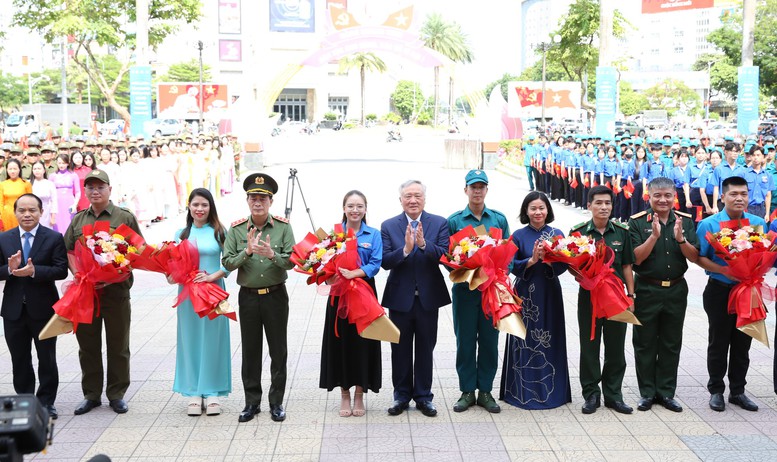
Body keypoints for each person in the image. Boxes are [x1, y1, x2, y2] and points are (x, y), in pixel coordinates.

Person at [63, 169, 143, 415]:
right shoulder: (78, 220)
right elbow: (69, 250)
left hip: (116, 291)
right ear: (85, 191)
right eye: (90, 187)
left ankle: (116, 394)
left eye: (100, 187)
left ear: (110, 189)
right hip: (86, 293)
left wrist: (114, 273)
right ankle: (91, 394)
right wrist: (81, 275)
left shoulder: (124, 217)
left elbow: (137, 250)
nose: (95, 191)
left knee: (118, 344)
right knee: (87, 344)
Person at [222, 173, 295, 423]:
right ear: (247, 201)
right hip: (249, 297)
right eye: (253, 197)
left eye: (263, 198)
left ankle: (276, 402)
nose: (258, 202)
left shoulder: (283, 227)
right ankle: (251, 403)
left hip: (276, 296)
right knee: (250, 351)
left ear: (271, 202)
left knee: (278, 350)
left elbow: (292, 261)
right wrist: (248, 251)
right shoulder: (237, 228)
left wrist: (273, 255)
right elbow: (227, 263)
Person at [628, 177, 699, 413]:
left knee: (671, 342)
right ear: (649, 196)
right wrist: (654, 237)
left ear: (674, 196)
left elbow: (694, 257)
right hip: (647, 289)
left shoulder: (686, 221)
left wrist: (680, 239)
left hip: (677, 289)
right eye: (657, 195)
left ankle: (666, 392)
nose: (663, 200)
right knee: (645, 342)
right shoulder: (637, 222)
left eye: (668, 195)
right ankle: (647, 393)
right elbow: (636, 258)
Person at [381, 180, 451, 417]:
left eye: (417, 196)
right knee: (399, 348)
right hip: (400, 298)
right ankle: (401, 395)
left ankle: (423, 396)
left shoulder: (439, 223)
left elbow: (445, 255)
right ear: (400, 199)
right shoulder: (389, 225)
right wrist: (405, 250)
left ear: (424, 199)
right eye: (408, 196)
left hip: (428, 298)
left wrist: (423, 244)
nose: (413, 200)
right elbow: (385, 261)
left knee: (425, 348)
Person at [696, 175, 763, 412]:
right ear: (723, 197)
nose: (739, 198)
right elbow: (699, 257)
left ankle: (738, 391)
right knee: (719, 341)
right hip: (719, 290)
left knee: (743, 341)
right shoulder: (709, 224)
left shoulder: (757, 223)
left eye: (743, 194)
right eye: (733, 194)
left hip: (747, 291)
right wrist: (723, 269)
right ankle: (716, 390)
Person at [500, 191, 571, 409]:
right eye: (533, 208)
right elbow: (510, 265)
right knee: (525, 338)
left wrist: (549, 261)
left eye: (541, 208)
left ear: (548, 210)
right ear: (526, 211)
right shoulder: (519, 236)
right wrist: (531, 260)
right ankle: (520, 392)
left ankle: (554, 393)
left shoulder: (557, 233)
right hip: (525, 294)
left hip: (550, 292)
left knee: (551, 336)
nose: (537, 212)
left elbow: (565, 264)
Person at [0, 193, 68, 419]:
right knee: (19, 358)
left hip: (43, 308)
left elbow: (61, 269)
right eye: (22, 210)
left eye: (32, 210)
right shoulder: (4, 239)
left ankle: (47, 402)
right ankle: (26, 402)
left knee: (46, 358)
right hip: (13, 311)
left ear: (41, 212)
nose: (27, 214)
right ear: (15, 212)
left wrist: (35, 271)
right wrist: (9, 269)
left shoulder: (53, 237)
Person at [447, 170, 509, 413]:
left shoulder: (498, 219)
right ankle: (466, 391)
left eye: (481, 187)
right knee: (464, 342)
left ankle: (485, 391)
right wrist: (465, 268)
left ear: (487, 190)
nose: (477, 191)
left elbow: (508, 253)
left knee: (490, 341)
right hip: (465, 292)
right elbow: (448, 258)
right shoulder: (455, 221)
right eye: (473, 187)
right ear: (466, 190)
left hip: (490, 291)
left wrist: (496, 272)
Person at [570, 185, 635, 414]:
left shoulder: (622, 231)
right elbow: (572, 267)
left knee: (616, 347)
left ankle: (613, 395)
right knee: (589, 346)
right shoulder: (578, 233)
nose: (604, 207)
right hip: (589, 298)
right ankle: (591, 394)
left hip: (616, 298)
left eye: (608, 203)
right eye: (598, 203)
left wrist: (631, 295)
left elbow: (627, 266)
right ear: (589, 205)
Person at [320, 191, 382, 417]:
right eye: (351, 206)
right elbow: (322, 262)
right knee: (341, 342)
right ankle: (344, 394)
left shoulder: (373, 234)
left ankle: (359, 395)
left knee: (363, 342)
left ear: (365, 209)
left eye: (359, 206)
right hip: (340, 295)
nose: (355, 210)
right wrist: (329, 276)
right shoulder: (333, 235)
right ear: (344, 208)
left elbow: (376, 263)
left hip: (364, 293)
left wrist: (354, 273)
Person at [173, 188, 231, 416]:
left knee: (213, 340)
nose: (199, 209)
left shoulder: (219, 232)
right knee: (190, 340)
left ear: (211, 207)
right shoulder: (181, 233)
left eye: (204, 205)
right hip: (188, 294)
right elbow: (174, 265)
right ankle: (193, 392)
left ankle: (213, 391)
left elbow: (230, 262)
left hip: (214, 292)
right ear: (189, 207)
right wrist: (171, 274)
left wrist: (213, 275)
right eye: (195, 205)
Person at [50, 154, 80, 234]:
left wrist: (75, 204)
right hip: (56, 203)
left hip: (69, 203)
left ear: (67, 163)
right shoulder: (52, 176)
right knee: (57, 225)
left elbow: (77, 192)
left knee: (69, 224)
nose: (61, 165)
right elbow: (49, 193)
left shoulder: (73, 175)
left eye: (63, 163)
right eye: (59, 163)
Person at [0, 159, 33, 231]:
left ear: (19, 170)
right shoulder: (2, 184)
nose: (12, 171)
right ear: (7, 170)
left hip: (22, 214)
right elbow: (1, 202)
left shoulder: (26, 184)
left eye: (15, 169)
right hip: (7, 215)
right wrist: (1, 216)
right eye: (10, 169)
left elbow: (31, 202)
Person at [30, 161, 58, 229]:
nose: (37, 171)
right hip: (31, 213)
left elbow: (54, 201)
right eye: (35, 169)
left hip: (46, 213)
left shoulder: (49, 184)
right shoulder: (29, 184)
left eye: (39, 168)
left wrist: (53, 217)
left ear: (44, 170)